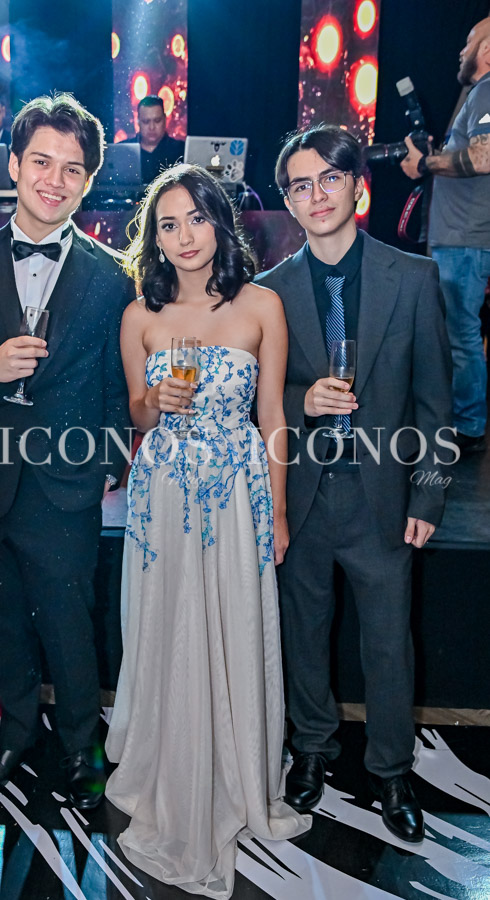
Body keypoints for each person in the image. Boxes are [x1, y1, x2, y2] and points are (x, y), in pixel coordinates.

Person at [105, 163, 310, 898]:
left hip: (236, 489)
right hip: (162, 490)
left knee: (232, 620)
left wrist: (277, 511)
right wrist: (154, 400)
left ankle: (238, 764)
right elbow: (137, 413)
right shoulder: (141, 316)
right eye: (168, 224)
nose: (185, 235)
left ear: (219, 222)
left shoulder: (262, 306)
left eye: (196, 218)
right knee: (171, 621)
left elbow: (273, 417)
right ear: (154, 239)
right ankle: (171, 756)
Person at [0, 93, 132, 810]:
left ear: (88, 181)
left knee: (70, 622)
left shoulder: (112, 276)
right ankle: (16, 731)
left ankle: (81, 745)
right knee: (3, 620)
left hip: (65, 483)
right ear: (13, 165)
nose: (55, 179)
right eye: (41, 162)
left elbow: (117, 385)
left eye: (72, 169)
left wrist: (108, 462)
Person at [257, 124, 452, 844]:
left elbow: (436, 400)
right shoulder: (268, 293)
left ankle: (392, 769)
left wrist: (429, 492)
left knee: (389, 643)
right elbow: (256, 399)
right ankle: (311, 750)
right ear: (288, 200)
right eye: (301, 185)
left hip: (384, 499)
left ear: (356, 186)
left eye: (330, 179)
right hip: (301, 494)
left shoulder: (414, 278)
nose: (317, 195)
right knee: (303, 633)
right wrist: (302, 399)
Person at [401, 16, 490, 454]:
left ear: (487, 50)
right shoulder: (477, 94)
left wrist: (425, 163)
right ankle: (460, 418)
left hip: (466, 237)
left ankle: (469, 425)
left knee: (461, 334)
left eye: (469, 41)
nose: (461, 50)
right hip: (457, 235)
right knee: (456, 332)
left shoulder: (488, 89)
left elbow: (485, 156)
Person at [125, 95, 185, 184]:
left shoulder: (181, 150)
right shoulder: (124, 150)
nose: (152, 127)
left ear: (165, 119)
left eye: (157, 121)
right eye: (146, 121)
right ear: (138, 121)